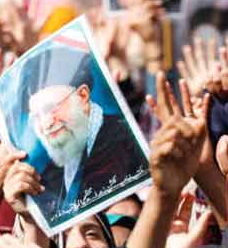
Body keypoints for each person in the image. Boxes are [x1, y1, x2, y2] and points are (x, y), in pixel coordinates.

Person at [21, 44, 142, 226]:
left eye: (50, 109)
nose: (46, 123)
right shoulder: (48, 173)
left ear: (83, 96)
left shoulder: (128, 143)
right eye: (36, 116)